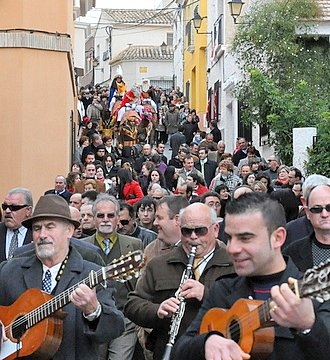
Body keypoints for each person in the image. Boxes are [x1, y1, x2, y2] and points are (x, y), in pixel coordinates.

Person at [171, 192, 330, 360]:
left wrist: (308, 326)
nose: (232, 248)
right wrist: (207, 342)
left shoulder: (310, 294)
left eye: (245, 238)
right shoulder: (223, 290)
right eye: (230, 238)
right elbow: (180, 350)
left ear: (277, 238)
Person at [0, 195, 125, 359]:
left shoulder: (92, 274)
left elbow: (114, 328)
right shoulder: (10, 270)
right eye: (37, 228)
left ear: (69, 231)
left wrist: (94, 311)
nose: (42, 234)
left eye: (50, 227)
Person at [124, 203, 235, 360]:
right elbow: (132, 304)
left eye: (200, 231)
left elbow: (244, 308)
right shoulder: (158, 264)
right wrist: (157, 310)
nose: (193, 237)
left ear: (215, 230)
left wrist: (207, 295)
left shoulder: (234, 264)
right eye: (186, 231)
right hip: (172, 352)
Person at [82, 194, 144, 360]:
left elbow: (140, 283)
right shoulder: (81, 247)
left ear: (118, 218)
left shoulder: (135, 244)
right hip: (93, 319)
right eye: (100, 216)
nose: (105, 220)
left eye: (110, 215)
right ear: (94, 219)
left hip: (125, 319)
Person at [284, 174, 330, 271]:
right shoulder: (292, 253)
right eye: (317, 209)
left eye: (329, 208)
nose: (324, 214)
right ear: (308, 212)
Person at [0, 188, 33, 262]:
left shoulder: (37, 234)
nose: (7, 211)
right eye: (5, 207)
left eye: (13, 207)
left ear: (28, 211)